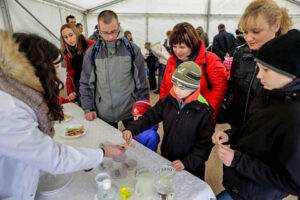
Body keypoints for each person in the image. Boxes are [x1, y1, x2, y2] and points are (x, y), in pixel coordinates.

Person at [0, 31, 126, 199]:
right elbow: (55, 158)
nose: (56, 75)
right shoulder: (10, 110)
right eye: (53, 68)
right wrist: (102, 153)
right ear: (34, 69)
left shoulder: (15, 94)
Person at [212, 29, 300, 200]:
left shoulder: (295, 118)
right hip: (239, 183)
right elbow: (254, 128)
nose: (259, 76)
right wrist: (230, 135)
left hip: (258, 193)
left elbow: (293, 183)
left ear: (288, 72)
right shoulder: (269, 93)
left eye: (266, 70)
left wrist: (238, 161)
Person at [123, 61, 214, 179]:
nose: (176, 89)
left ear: (193, 87)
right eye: (174, 84)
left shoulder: (204, 112)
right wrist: (132, 128)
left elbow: (205, 146)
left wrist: (187, 162)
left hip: (191, 167)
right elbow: (149, 116)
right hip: (168, 156)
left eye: (181, 87)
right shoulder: (167, 101)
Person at [224, 0, 292, 128]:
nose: (249, 38)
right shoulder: (240, 54)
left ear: (276, 26)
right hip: (238, 129)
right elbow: (232, 88)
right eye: (245, 32)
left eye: (256, 32)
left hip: (267, 135)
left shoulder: (288, 59)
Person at [80, 10, 149, 129]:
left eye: (113, 31)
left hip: (130, 109)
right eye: (105, 33)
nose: (110, 37)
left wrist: (143, 107)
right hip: (104, 110)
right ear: (99, 29)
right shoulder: (92, 52)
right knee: (109, 145)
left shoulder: (133, 50)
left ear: (119, 25)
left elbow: (142, 81)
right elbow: (86, 82)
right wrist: (88, 107)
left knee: (136, 143)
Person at [159, 22, 227, 119]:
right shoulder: (171, 61)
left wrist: (208, 112)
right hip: (175, 118)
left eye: (182, 47)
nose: (178, 51)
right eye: (174, 46)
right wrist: (164, 110)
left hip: (199, 119)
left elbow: (220, 88)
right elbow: (165, 87)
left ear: (193, 44)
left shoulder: (210, 60)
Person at [60, 24, 95, 106]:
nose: (69, 39)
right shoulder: (66, 53)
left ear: (76, 33)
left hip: (94, 84)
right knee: (83, 109)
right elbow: (69, 73)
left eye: (71, 35)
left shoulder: (91, 45)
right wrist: (70, 91)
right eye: (65, 37)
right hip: (79, 85)